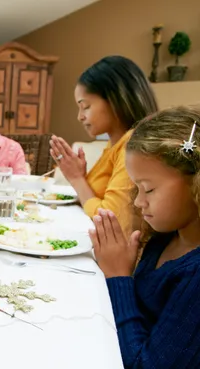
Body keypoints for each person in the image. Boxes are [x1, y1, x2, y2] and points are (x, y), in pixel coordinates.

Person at [89, 105, 200, 369]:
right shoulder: (167, 236)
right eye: (136, 188)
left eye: (148, 189)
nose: (138, 202)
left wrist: (119, 277)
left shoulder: (195, 275)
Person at [51, 56, 158, 234]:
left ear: (115, 99)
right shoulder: (114, 143)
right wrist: (81, 178)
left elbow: (112, 220)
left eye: (85, 106)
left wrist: (77, 180)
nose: (80, 117)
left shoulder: (132, 145)